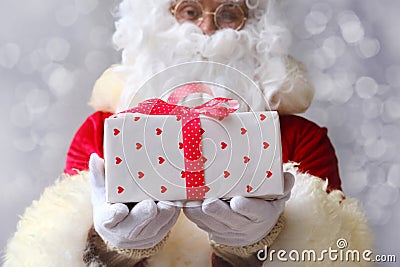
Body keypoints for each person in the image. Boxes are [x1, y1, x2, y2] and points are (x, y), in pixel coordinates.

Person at [3, 1, 374, 267]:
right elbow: (45, 250)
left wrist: (252, 251)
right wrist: (107, 250)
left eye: (229, 13)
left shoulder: (298, 139)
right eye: (190, 12)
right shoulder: (102, 131)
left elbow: (337, 252)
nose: (207, 30)